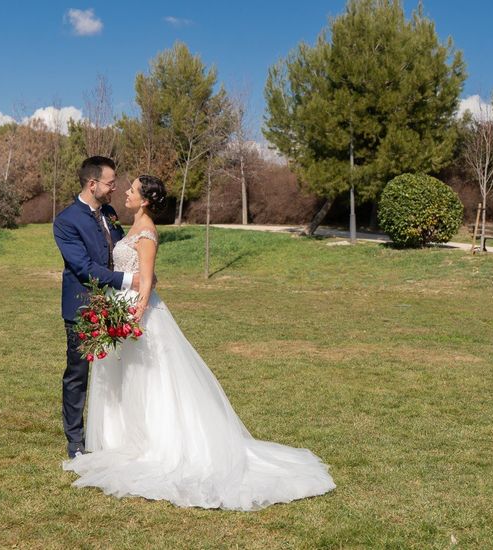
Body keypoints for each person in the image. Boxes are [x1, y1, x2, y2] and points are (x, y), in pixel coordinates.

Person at [63, 175, 336, 511]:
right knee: (123, 378)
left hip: (137, 313)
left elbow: (147, 281)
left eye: (132, 190)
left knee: (149, 379)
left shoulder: (147, 232)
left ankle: (155, 444)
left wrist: (135, 316)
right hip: (119, 305)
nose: (127, 193)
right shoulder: (128, 226)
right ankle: (120, 440)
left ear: (145, 200)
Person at [53, 156, 139, 459]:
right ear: (93, 184)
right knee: (78, 373)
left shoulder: (111, 212)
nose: (115, 187)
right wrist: (131, 279)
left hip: (116, 306)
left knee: (115, 372)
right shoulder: (66, 221)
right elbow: (84, 268)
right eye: (110, 182)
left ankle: (114, 434)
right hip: (82, 308)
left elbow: (120, 250)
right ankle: (75, 441)